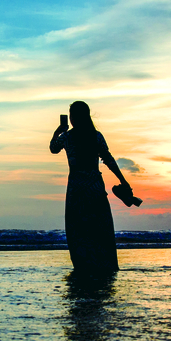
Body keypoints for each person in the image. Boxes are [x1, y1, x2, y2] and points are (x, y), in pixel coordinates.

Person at [49, 101, 131, 275]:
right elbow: (108, 159)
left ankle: (83, 266)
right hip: (95, 188)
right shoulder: (96, 136)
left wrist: (58, 130)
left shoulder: (67, 137)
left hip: (76, 190)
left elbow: (53, 148)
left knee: (78, 232)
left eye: (71, 115)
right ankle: (105, 266)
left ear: (73, 117)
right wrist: (123, 180)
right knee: (100, 231)